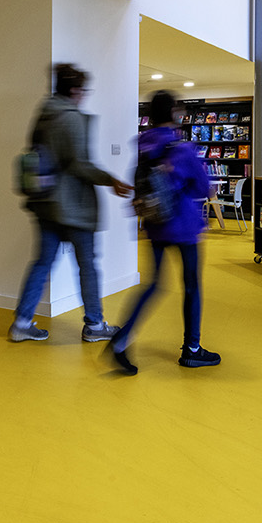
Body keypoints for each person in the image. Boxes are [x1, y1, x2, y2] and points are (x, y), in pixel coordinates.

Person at [9, 64, 133, 343]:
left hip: (45, 202)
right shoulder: (71, 118)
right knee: (87, 265)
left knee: (42, 263)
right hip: (73, 206)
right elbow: (80, 164)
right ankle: (95, 324)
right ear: (75, 90)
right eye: (84, 90)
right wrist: (111, 180)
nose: (85, 95)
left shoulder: (43, 114)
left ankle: (22, 323)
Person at [106, 90, 218, 374]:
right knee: (191, 286)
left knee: (153, 284)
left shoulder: (143, 146)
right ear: (173, 113)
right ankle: (192, 349)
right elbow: (202, 188)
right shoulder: (182, 149)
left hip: (155, 225)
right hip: (184, 226)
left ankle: (121, 339)